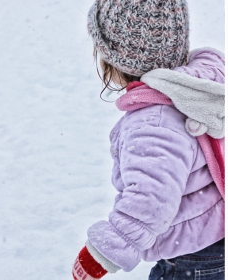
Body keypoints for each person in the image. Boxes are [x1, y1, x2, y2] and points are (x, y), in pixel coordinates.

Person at [72, 0, 225, 279]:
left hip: (191, 257)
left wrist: (103, 254)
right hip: (213, 239)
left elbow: (149, 202)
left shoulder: (154, 124)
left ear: (119, 61)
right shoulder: (199, 91)